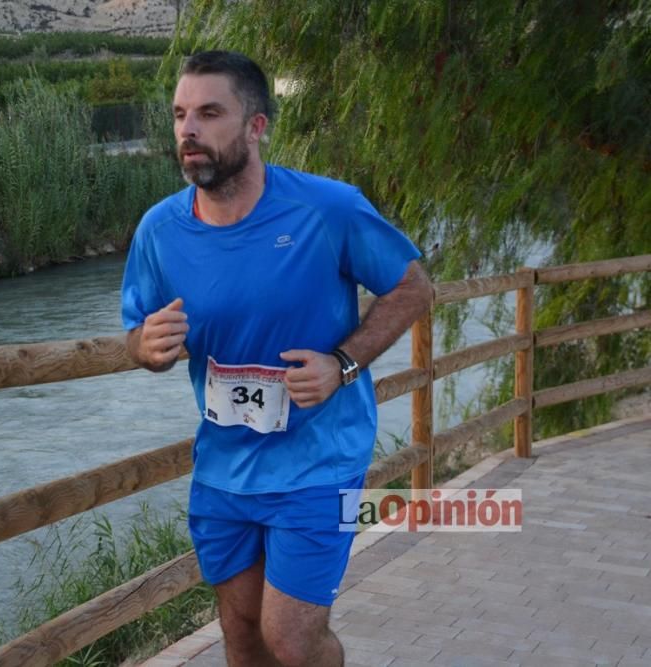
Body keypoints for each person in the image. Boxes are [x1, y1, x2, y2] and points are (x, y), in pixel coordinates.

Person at [120, 51, 433, 667]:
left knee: (291, 640)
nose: (189, 130)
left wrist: (342, 364)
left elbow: (414, 287)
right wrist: (144, 346)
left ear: (256, 126)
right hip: (223, 471)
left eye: (210, 113)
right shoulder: (159, 230)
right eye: (181, 115)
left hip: (318, 462)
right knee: (240, 636)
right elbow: (139, 328)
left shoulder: (327, 208)